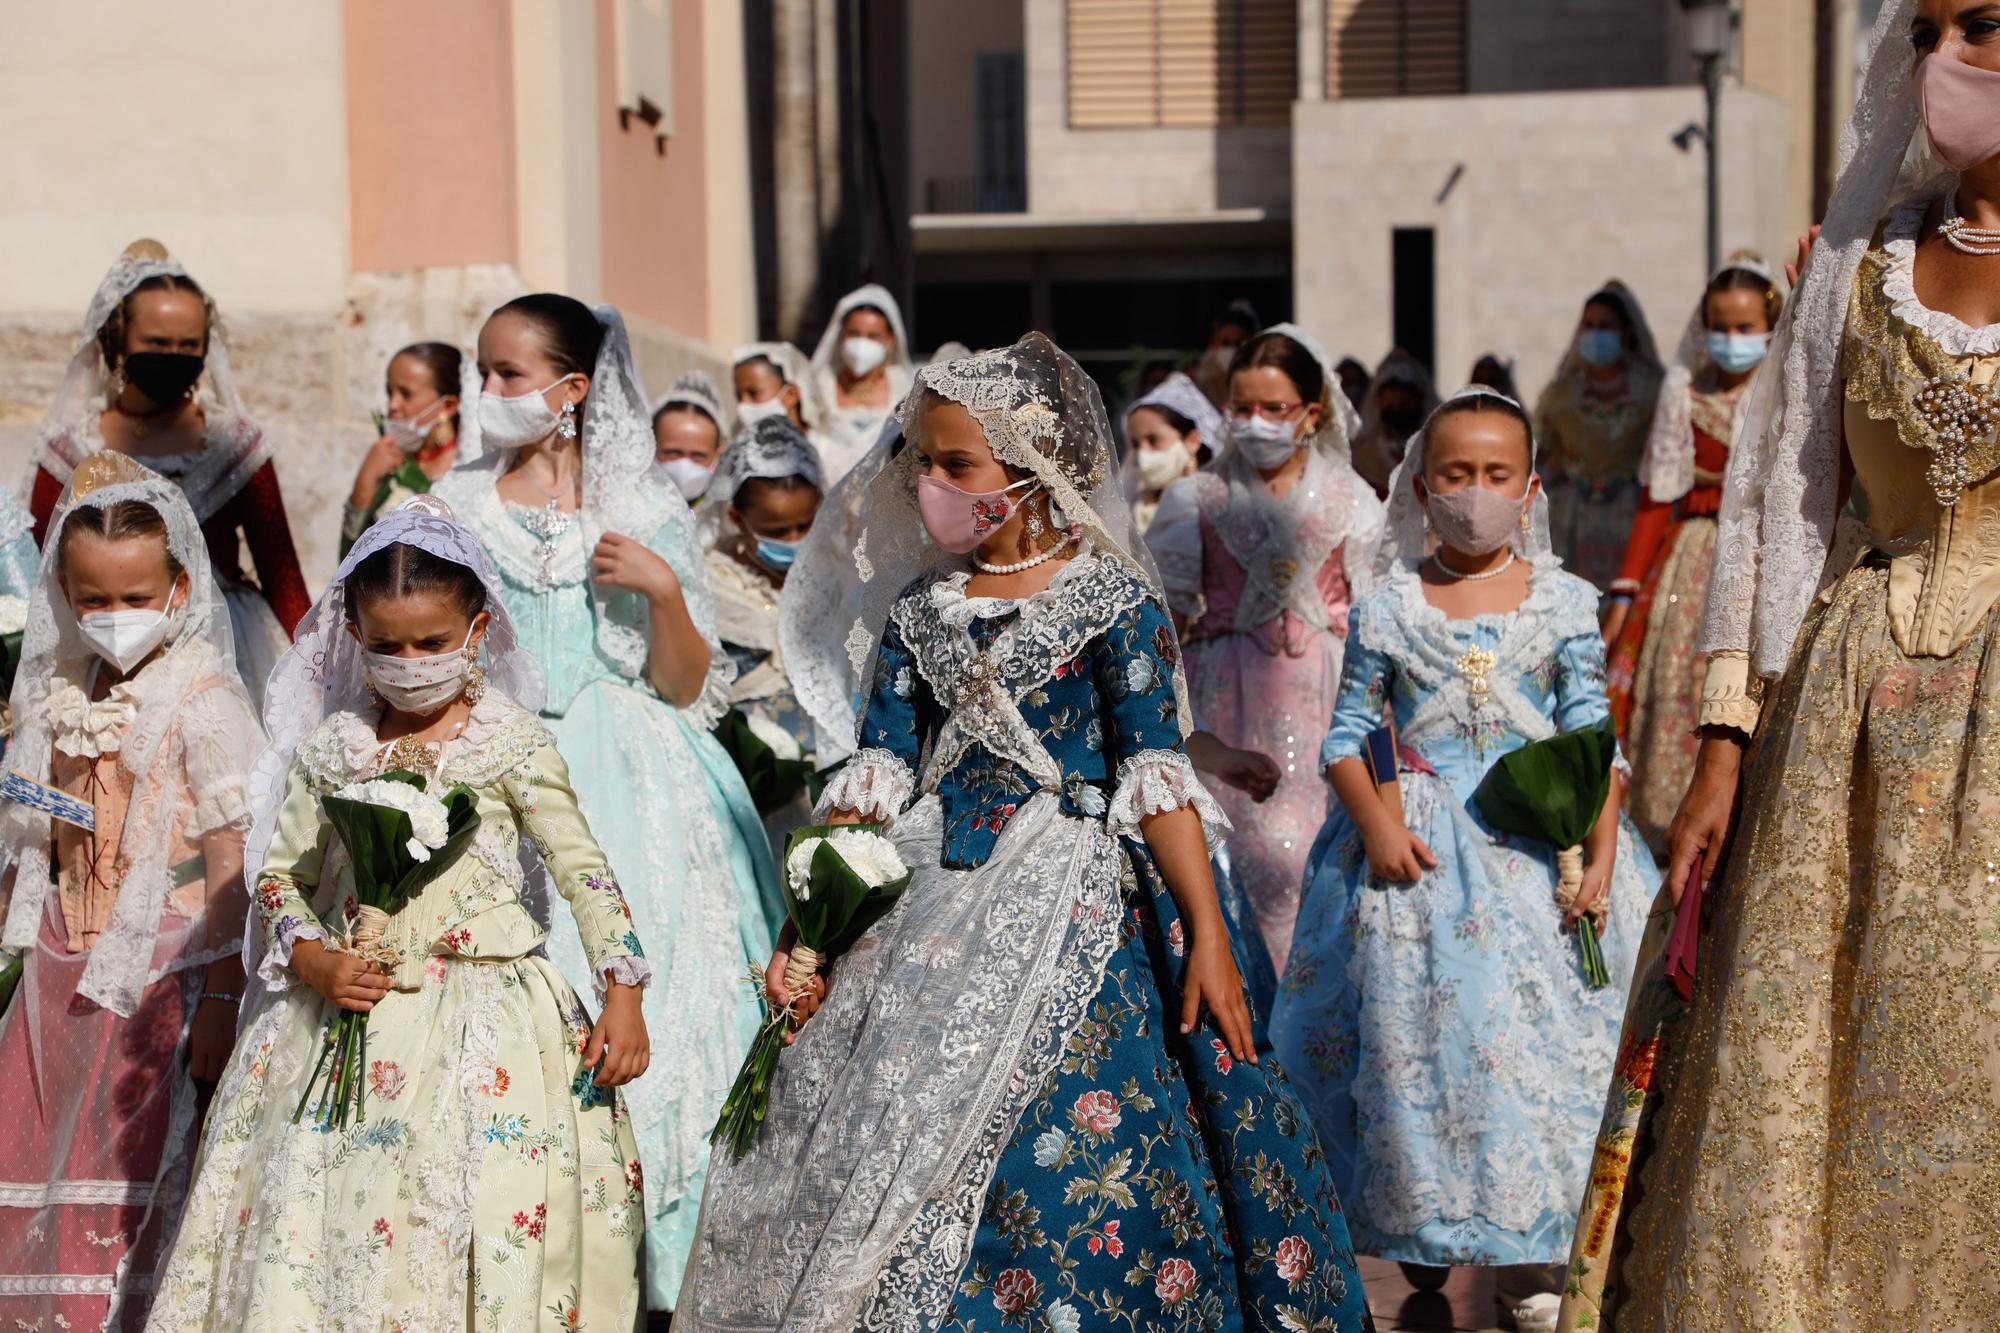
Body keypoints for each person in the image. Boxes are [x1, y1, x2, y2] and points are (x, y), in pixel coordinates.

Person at [678, 332, 1373, 1333]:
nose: (932, 482)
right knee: (867, 1128)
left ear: (1027, 465)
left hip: (1076, 891)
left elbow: (1154, 776)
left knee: (1065, 1130)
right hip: (920, 902)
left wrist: (1210, 938)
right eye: (923, 462)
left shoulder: (1108, 600)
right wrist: (811, 930)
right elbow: (874, 780)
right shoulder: (920, 609)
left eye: (956, 463)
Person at [1558, 3, 2000, 1327]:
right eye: (1932, 29)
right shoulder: (1858, 259)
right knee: (1815, 1028)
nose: (1951, 54)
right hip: (1854, 702)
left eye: (1981, 22)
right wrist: (1725, 737)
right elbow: (1782, 496)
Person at [146, 495, 649, 1328]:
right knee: (326, 1214)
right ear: (355, 640)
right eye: (386, 646)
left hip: (486, 1016)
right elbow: (279, 878)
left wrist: (622, 988)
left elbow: (581, 868)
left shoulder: (510, 742)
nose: (409, 662)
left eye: (431, 644)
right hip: (346, 1011)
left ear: (477, 633)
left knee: (460, 1210)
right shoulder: (336, 747)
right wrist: (309, 956)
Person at [1271, 389, 1656, 1333]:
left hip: (1541, 855)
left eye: (1494, 476)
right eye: (1455, 474)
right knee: (1430, 1045)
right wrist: (1377, 826)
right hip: (1424, 858)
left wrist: (1599, 854)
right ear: (1422, 482)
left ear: (1528, 490)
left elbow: (1592, 736)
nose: (1473, 494)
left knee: (1545, 1051)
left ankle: (1534, 1243)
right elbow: (1348, 733)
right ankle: (1434, 1220)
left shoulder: (1565, 601)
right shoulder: (1394, 604)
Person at [436, 295, 780, 1312]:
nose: (488, 392)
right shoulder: (456, 504)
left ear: (571, 390)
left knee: (674, 1005)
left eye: (507, 374)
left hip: (638, 779)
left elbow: (681, 684)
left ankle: (659, 1271)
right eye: (483, 371)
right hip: (498, 769)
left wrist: (664, 591)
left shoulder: (644, 511)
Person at [0, 453, 259, 1332]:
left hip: (160, 975)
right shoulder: (59, 694)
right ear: (65, 595)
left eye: (137, 596)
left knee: (131, 1165)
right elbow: (31, 834)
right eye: (94, 599)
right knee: (40, 1153)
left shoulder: (205, 700)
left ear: (181, 589)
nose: (115, 618)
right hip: (56, 964)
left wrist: (224, 994)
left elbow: (232, 855)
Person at [1146, 323, 1385, 971]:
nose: (1255, 423)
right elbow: (1160, 612)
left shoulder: (1352, 498)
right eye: (1241, 409)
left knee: (1310, 854)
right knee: (1232, 855)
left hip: (1325, 696)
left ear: (1311, 413)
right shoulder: (1197, 496)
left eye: (1272, 409)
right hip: (1221, 694)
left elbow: (1378, 612)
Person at [28, 240, 310, 707]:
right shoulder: (70, 447)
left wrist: (316, 674)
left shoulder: (236, 445)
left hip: (229, 648)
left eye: (188, 346)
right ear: (119, 343)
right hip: (104, 642)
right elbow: (41, 563)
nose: (174, 357)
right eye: (157, 344)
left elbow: (282, 574)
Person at [1600, 258, 1781, 855]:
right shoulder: (1684, 394)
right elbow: (1658, 497)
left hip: (1760, 556)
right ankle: (1662, 825)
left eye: (1745, 327)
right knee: (1674, 684)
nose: (1732, 341)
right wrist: (1625, 594)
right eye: (1720, 328)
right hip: (1691, 556)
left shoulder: (1782, 390)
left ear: (1772, 323)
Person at [701, 417, 827, 855]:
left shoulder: (837, 576)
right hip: (750, 792)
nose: (793, 541)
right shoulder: (711, 581)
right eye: (776, 532)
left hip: (830, 785)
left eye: (803, 525)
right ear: (737, 517)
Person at [1534, 284, 1665, 592]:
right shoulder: (1561, 395)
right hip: (1572, 522)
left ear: (1627, 332)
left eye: (1605, 326)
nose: (1596, 333)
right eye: (1589, 325)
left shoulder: (1654, 391)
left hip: (1632, 517)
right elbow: (1541, 452)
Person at [339, 341, 465, 557]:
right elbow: (349, 559)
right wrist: (366, 481)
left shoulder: (468, 471)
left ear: (448, 406)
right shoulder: (391, 466)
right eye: (390, 393)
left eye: (405, 394)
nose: (393, 405)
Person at [808, 283, 916, 484]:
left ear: (890, 340)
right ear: (841, 335)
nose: (861, 343)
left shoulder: (906, 384)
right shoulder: (820, 384)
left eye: (873, 336)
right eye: (854, 333)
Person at [1121, 370, 1220, 532]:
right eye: (1136, 444)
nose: (1142, 454)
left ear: (1192, 440)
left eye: (1153, 440)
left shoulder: (1215, 503)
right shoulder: (1134, 506)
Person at [1351, 350, 1441, 496]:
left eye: (1405, 399)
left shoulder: (1438, 451)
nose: (1398, 401)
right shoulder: (1360, 456)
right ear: (1379, 400)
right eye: (1392, 399)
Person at [653, 370, 731, 502]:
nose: (684, 465)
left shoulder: (729, 514)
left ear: (718, 453)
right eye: (672, 453)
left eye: (698, 456)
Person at [732, 340, 824, 442]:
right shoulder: (738, 454)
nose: (743, 405)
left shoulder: (831, 456)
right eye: (739, 396)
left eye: (754, 393)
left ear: (791, 394)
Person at [1193, 297, 1262, 407]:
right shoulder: (1197, 385)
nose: (1231, 350)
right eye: (1225, 343)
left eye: (1238, 343)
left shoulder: (1262, 385)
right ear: (1213, 344)